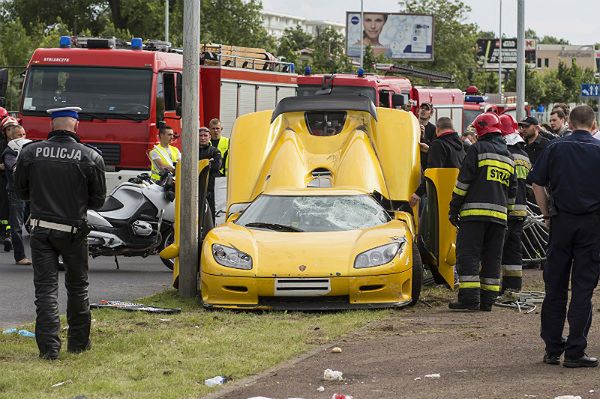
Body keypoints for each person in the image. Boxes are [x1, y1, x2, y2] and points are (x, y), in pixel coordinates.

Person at [14, 106, 106, 360]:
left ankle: (49, 350)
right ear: (76, 125)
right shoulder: (90, 156)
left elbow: (20, 190)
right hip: (74, 231)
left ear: (52, 125)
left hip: (41, 229)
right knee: (78, 287)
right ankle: (78, 344)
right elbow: (98, 201)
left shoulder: (30, 151)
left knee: (45, 290)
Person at [527, 105, 600, 368]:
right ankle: (575, 352)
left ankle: (553, 349)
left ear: (569, 122)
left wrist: (546, 215)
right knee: (582, 289)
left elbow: (536, 182)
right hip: (592, 227)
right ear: (593, 125)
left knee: (555, 287)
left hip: (560, 224)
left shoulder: (555, 148)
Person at [448, 112, 517, 311]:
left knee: (468, 255)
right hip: (499, 220)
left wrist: (454, 209)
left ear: (481, 131)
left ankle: (469, 299)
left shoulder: (477, 149)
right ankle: (487, 300)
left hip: (474, 216)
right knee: (492, 258)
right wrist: (507, 215)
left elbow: (463, 183)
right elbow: (512, 193)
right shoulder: (509, 157)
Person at [498, 114, 531, 293]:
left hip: (505, 209)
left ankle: (492, 287)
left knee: (496, 249)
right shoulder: (524, 156)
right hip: (521, 210)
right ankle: (514, 286)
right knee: (513, 249)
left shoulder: (505, 155)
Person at [410, 117, 466, 207]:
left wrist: (417, 194)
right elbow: (450, 160)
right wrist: (430, 150)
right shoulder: (459, 146)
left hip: (440, 197)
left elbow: (432, 173)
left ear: (437, 129)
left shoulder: (438, 144)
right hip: (455, 196)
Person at [1, 117, 32, 265]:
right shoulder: (9, 151)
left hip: (32, 192)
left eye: (24, 134)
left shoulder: (29, 149)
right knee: (16, 225)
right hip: (17, 192)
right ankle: (20, 256)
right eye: (19, 135)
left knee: (37, 223)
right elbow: (12, 166)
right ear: (11, 137)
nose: (23, 138)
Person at [198, 127, 222, 223]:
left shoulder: (215, 151)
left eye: (205, 136)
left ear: (210, 137)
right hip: (197, 187)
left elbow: (217, 166)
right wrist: (208, 162)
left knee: (211, 213)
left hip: (211, 188)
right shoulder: (192, 150)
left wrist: (200, 164)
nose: (203, 138)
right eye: (200, 136)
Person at [418, 102, 436, 170]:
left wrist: (423, 136)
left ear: (431, 114)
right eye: (422, 108)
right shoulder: (411, 124)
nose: (423, 110)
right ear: (418, 111)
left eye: (426, 109)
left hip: (424, 165)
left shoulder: (434, 129)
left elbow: (434, 148)